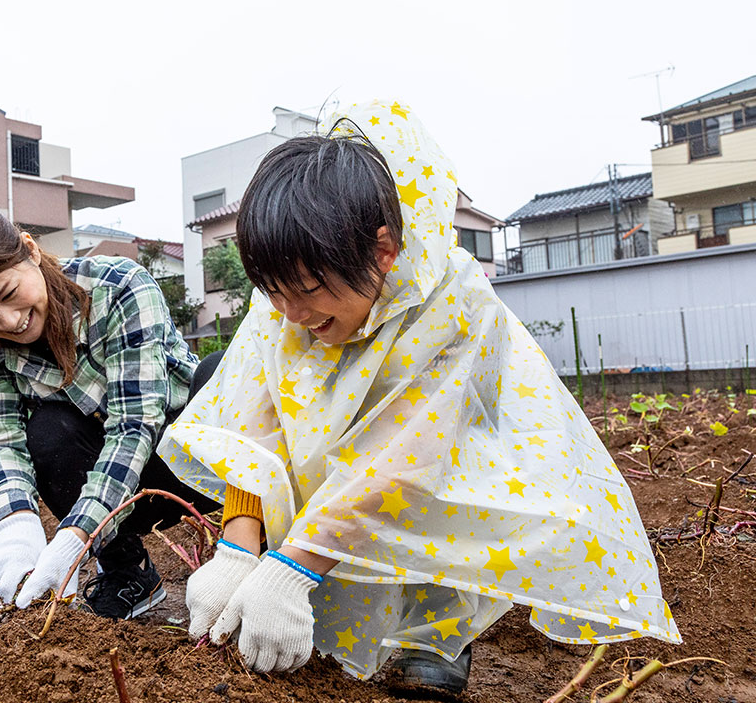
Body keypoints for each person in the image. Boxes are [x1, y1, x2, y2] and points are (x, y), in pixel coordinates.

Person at [157, 99, 681, 692]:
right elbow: (252, 421)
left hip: (434, 461)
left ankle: (433, 634)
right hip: (345, 461)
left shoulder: (455, 304)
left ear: (383, 251)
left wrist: (290, 571)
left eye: (307, 291)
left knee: (449, 492)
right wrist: (239, 546)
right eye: (273, 292)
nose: (291, 314)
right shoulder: (284, 296)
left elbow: (407, 456)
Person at [0, 199, 219, 619]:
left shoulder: (118, 287)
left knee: (217, 375)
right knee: (49, 431)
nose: (8, 320)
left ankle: (249, 547)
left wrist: (75, 535)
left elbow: (135, 425)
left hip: (188, 461)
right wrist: (15, 530)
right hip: (111, 495)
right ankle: (128, 572)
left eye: (9, 293)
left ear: (31, 250)